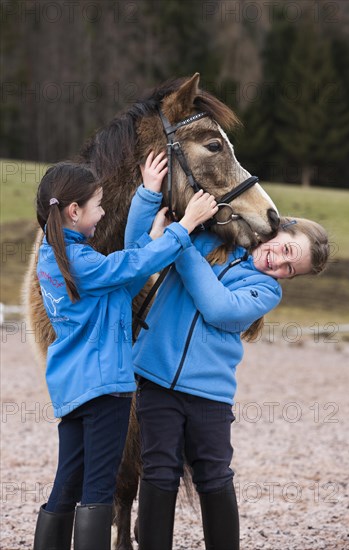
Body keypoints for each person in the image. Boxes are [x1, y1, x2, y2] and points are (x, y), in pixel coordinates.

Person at [126, 182, 330, 550]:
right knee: (157, 472)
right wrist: (148, 195)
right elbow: (139, 246)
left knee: (214, 476)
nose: (279, 263)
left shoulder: (266, 290)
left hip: (209, 395)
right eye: (285, 249)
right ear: (278, 228)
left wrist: (181, 239)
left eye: (289, 268)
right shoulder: (210, 240)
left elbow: (218, 307)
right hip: (156, 379)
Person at [32, 153, 218, 550]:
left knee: (67, 482)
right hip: (105, 392)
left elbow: (124, 278)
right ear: (74, 210)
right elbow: (128, 266)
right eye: (98, 206)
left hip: (73, 389)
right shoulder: (82, 262)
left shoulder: (55, 258)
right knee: (99, 487)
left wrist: (149, 200)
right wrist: (185, 226)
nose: (101, 214)